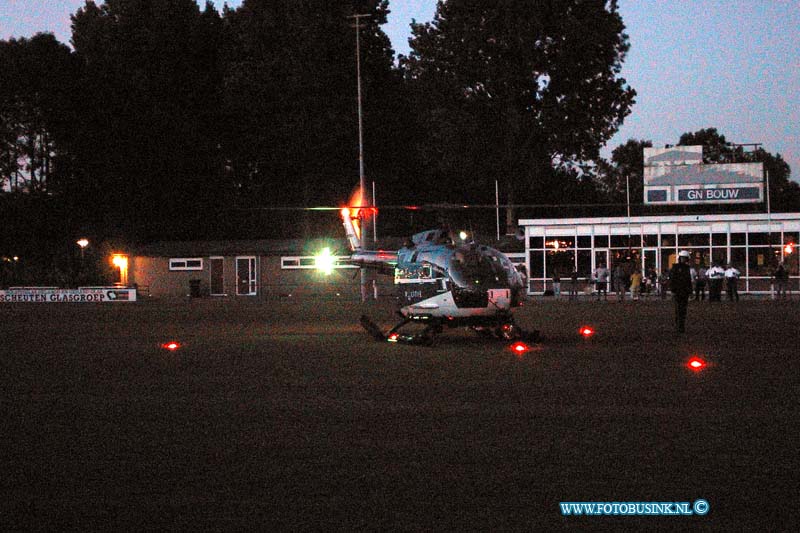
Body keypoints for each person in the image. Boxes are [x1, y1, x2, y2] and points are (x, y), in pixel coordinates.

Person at [670, 251, 693, 333]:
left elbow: (688, 280)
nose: (684, 259)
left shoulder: (687, 268)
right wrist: (673, 291)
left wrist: (690, 291)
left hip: (685, 291)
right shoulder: (675, 267)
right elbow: (672, 280)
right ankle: (678, 326)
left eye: (685, 258)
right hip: (677, 291)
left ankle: (681, 326)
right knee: (678, 309)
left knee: (683, 310)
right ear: (680, 258)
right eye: (683, 258)